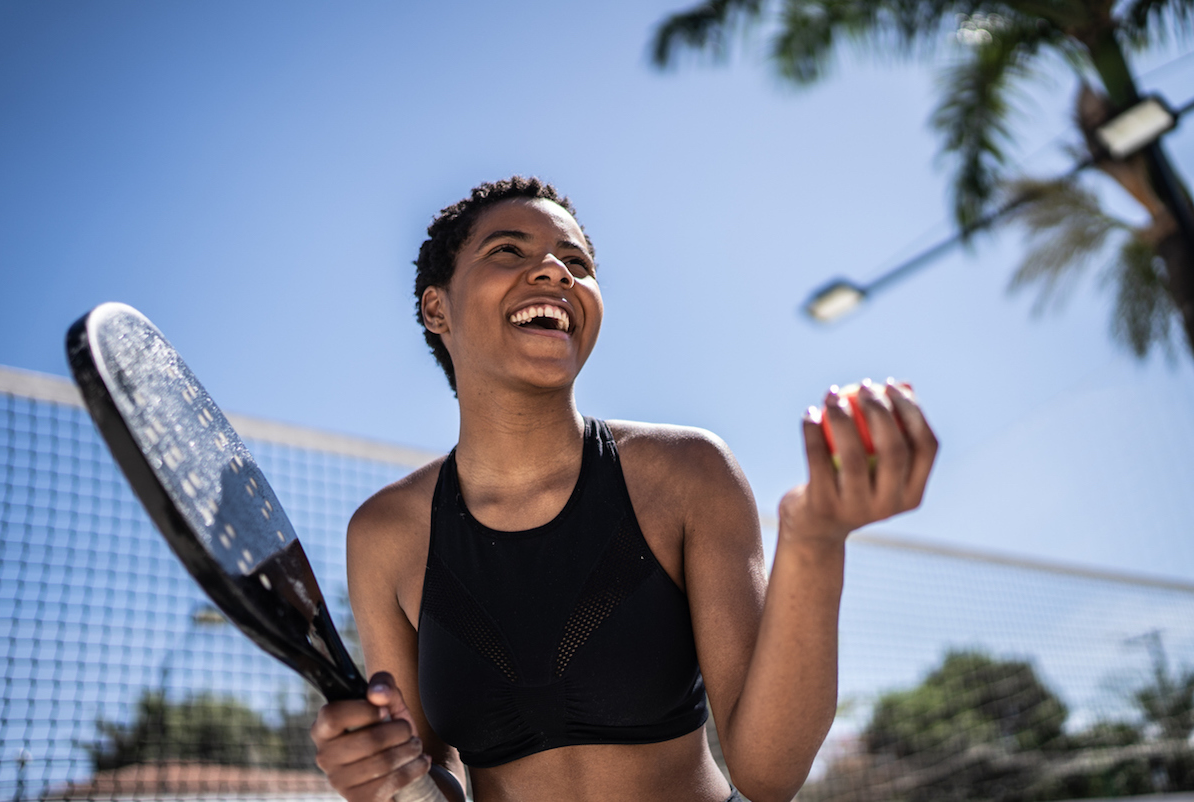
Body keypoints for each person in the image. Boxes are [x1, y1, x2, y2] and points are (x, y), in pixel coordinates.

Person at [310, 177, 938, 802]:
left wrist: (816, 540)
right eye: (509, 251)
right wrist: (382, 777)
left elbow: (767, 773)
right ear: (436, 308)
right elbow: (430, 777)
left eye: (575, 261)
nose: (555, 271)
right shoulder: (385, 534)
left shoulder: (689, 472)